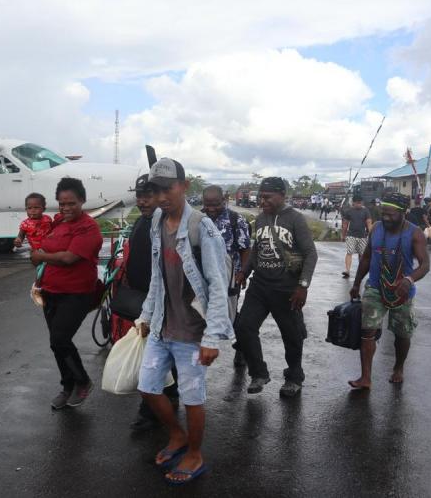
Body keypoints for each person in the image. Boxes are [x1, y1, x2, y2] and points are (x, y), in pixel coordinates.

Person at [136, 157, 233, 485]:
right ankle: (177, 436)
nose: (162, 196)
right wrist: (147, 315)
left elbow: (218, 285)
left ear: (184, 186)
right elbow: (157, 275)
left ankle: (194, 453)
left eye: (169, 188)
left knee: (192, 396)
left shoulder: (201, 227)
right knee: (148, 387)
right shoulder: (157, 221)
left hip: (192, 330)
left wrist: (212, 337)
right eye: (157, 189)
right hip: (163, 324)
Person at [234, 177, 318, 397]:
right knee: (244, 327)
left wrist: (303, 286)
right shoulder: (261, 219)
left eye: (267, 197)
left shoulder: (295, 219)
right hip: (260, 286)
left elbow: (310, 253)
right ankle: (259, 373)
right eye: (261, 197)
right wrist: (244, 271)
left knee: (292, 336)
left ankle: (294, 377)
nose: (263, 201)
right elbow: (256, 249)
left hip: (287, 288)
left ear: (282, 195)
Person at [31, 178, 103, 409]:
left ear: (82, 200)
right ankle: (67, 386)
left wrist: (40, 256)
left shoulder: (88, 228)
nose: (66, 208)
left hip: (77, 294)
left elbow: (68, 258)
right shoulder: (59, 222)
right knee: (56, 343)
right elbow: (47, 246)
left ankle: (82, 382)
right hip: (51, 292)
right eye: (62, 204)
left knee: (60, 338)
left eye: (71, 203)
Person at [348, 192, 430, 389]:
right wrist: (356, 283)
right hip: (375, 288)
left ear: (404, 213)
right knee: (367, 331)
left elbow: (425, 265)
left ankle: (398, 367)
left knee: (402, 334)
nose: (386, 218)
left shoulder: (415, 233)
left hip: (402, 292)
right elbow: (366, 258)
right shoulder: (376, 228)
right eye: (383, 213)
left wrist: (409, 280)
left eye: (391, 214)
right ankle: (365, 377)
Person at [125, 175, 180, 432]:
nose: (142, 200)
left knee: (154, 358)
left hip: (162, 302)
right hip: (141, 299)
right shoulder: (141, 222)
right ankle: (171, 392)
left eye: (148, 195)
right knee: (161, 355)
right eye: (139, 195)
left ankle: (149, 411)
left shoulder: (168, 226)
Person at [201, 185, 252, 365]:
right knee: (200, 312)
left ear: (224, 200)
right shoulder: (198, 218)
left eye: (215, 204)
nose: (211, 209)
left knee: (229, 314)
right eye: (207, 204)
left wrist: (242, 273)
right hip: (203, 275)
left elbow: (246, 249)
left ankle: (241, 347)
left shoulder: (236, 220)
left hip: (229, 275)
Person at [341, 195, 373, 279]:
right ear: (353, 203)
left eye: (360, 202)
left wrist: (372, 235)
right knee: (349, 252)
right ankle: (347, 271)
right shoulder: (349, 211)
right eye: (357, 203)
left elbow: (369, 223)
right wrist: (343, 235)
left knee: (362, 254)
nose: (359, 204)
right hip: (351, 235)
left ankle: (360, 271)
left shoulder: (366, 211)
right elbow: (345, 224)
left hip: (362, 236)